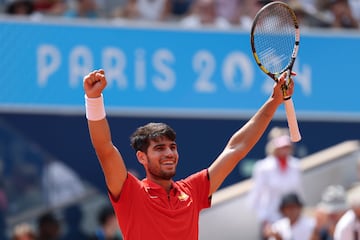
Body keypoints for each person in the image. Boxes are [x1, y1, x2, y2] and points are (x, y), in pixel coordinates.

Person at [82, 68, 296, 239]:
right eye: (159, 148)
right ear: (141, 158)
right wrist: (94, 100)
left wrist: (274, 101)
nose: (169, 153)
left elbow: (236, 148)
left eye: (172, 147)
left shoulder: (192, 190)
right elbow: (105, 149)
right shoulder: (131, 193)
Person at [247, 126, 305, 239]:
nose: (284, 149)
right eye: (281, 146)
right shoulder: (263, 167)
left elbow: (299, 193)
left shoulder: (296, 166)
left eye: (287, 146)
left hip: (291, 222)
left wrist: (299, 217)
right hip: (271, 220)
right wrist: (265, 221)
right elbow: (255, 197)